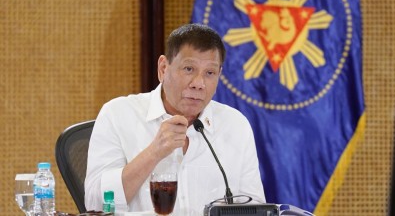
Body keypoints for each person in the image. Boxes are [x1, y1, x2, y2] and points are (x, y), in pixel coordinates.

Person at [84, 23, 265, 214]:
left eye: (209, 73)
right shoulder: (118, 115)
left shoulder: (235, 125)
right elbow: (96, 204)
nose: (198, 84)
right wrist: (154, 152)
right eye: (188, 69)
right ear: (163, 68)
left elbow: (256, 209)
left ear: (219, 75)